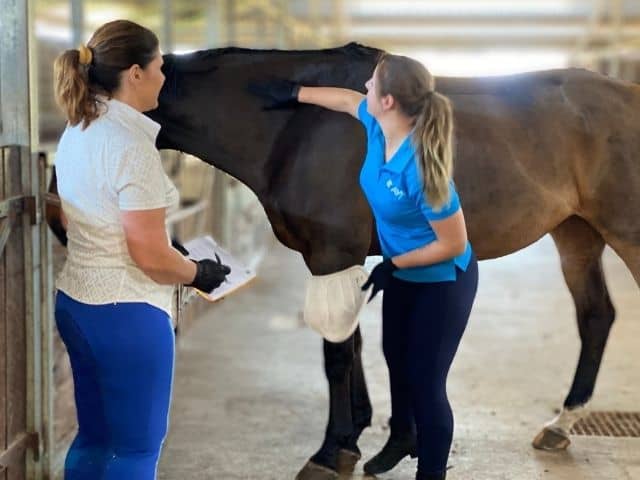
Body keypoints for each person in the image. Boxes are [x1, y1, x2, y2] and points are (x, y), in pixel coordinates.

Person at [249, 53, 478, 480]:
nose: (365, 89)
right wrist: (293, 93)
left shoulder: (424, 169)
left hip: (444, 279)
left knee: (428, 388)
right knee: (396, 358)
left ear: (388, 101)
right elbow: (343, 99)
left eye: (373, 84)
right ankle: (404, 437)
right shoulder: (376, 126)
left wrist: (395, 265)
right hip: (405, 273)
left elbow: (454, 243)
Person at [52, 19, 230, 480]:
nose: (164, 79)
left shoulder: (79, 129)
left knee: (94, 438)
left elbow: (76, 215)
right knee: (135, 450)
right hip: (127, 313)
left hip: (77, 303)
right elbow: (149, 256)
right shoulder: (132, 146)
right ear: (134, 74)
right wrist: (197, 272)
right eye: (159, 68)